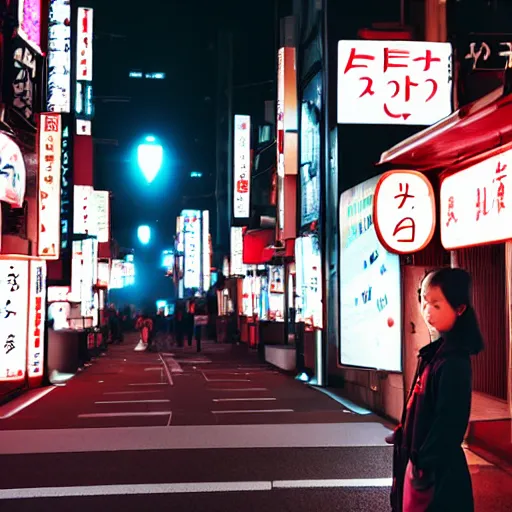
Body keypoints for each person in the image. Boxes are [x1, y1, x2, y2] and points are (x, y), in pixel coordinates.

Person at [389, 268, 484, 512]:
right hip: (423, 467)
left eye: (437, 305)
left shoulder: (453, 361)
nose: (427, 312)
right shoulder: (436, 353)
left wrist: (422, 464)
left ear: (459, 309)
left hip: (437, 477)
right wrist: (404, 433)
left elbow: (449, 423)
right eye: (424, 301)